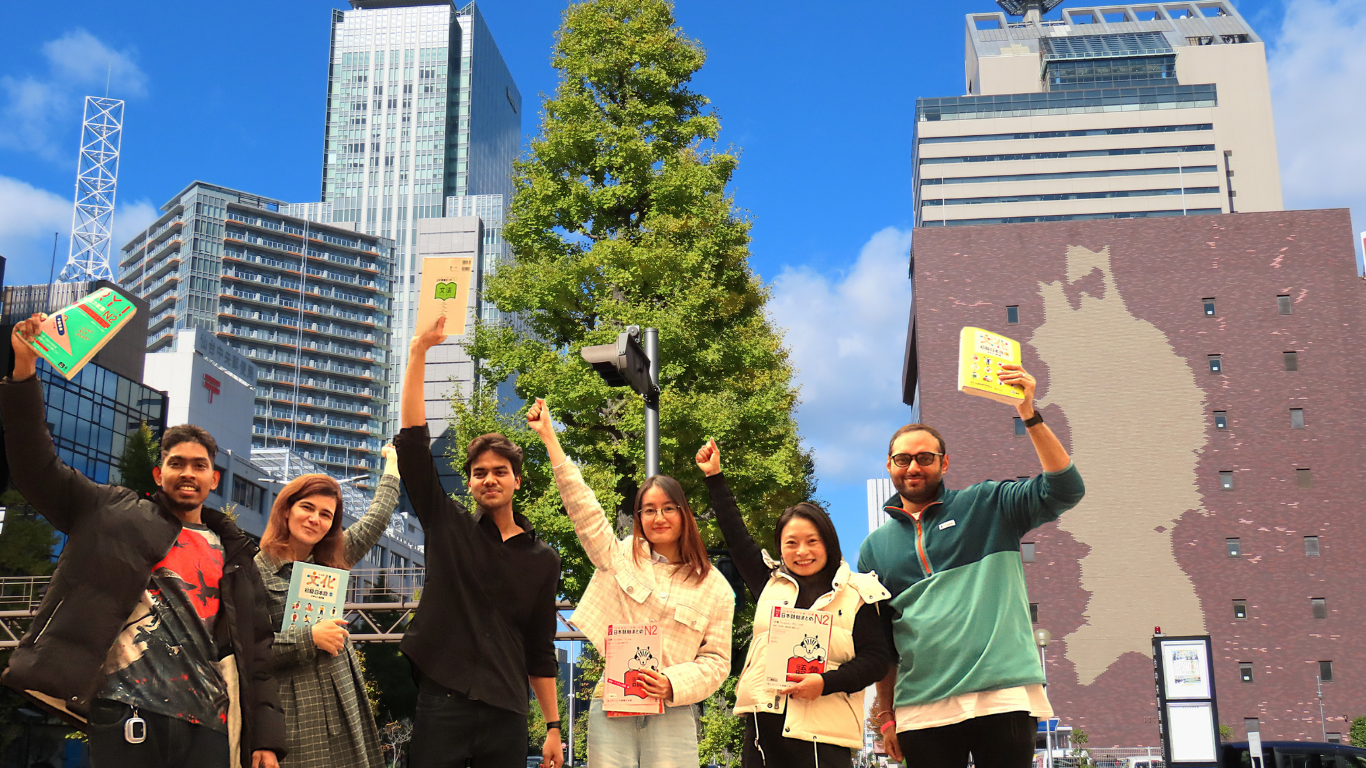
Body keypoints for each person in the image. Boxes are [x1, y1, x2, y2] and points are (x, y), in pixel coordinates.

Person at [1, 313, 285, 768]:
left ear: (214, 478)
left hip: (209, 722)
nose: (187, 473)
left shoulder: (234, 553)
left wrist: (266, 740)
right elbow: (35, 466)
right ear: (160, 473)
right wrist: (23, 371)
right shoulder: (111, 512)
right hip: (126, 710)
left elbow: (258, 652)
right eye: (176, 463)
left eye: (198, 465)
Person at [860, 364, 1085, 768]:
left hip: (1003, 694)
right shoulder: (874, 550)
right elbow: (884, 645)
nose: (913, 467)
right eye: (902, 459)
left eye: (925, 457)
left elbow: (1066, 489)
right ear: (889, 466)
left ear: (944, 464)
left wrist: (1028, 413)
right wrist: (886, 714)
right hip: (920, 708)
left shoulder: (990, 504)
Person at [527, 398, 733, 768]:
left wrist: (671, 682)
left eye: (669, 508)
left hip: (674, 714)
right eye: (649, 510)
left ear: (685, 514)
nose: (659, 517)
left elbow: (718, 662)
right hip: (612, 702)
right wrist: (550, 438)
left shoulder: (714, 585)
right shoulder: (620, 555)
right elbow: (585, 510)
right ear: (638, 517)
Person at [395, 316, 563, 768]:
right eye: (479, 473)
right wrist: (418, 353)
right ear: (468, 484)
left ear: (517, 482)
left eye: (499, 471)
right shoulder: (446, 525)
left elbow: (540, 645)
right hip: (442, 699)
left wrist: (552, 727)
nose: (489, 479)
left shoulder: (544, 560)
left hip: (507, 709)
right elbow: (413, 448)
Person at [695, 439, 890, 768]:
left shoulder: (859, 593)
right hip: (763, 732)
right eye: (791, 543)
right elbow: (738, 539)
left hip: (823, 738)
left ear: (829, 542)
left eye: (812, 541)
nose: (802, 551)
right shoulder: (769, 585)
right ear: (780, 548)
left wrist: (825, 683)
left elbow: (876, 660)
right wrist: (715, 477)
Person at [253, 444, 402, 768]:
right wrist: (309, 638)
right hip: (293, 713)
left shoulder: (331, 561)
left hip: (343, 698)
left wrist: (392, 465)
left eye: (326, 515)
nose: (315, 519)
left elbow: (376, 518)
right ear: (286, 509)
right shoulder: (254, 572)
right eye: (307, 507)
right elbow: (248, 651)